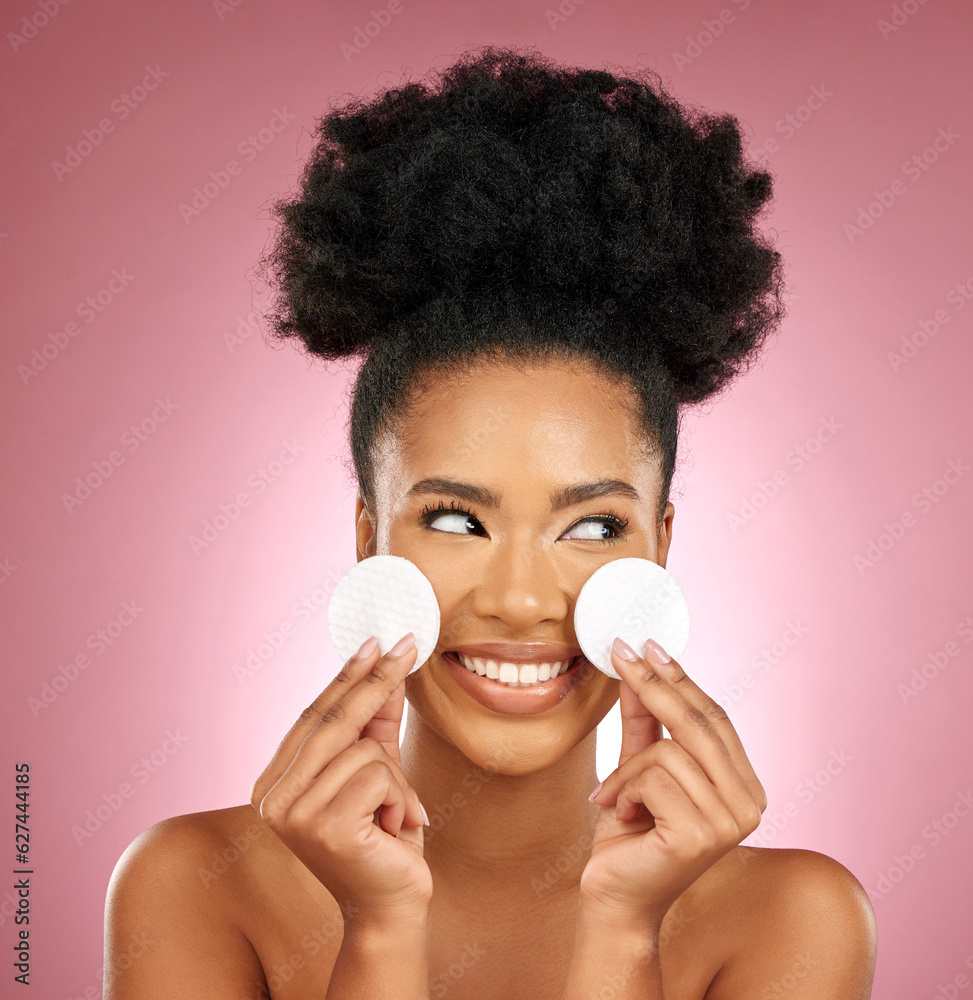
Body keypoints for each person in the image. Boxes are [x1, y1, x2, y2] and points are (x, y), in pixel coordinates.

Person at [104, 43, 877, 999]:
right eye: (456, 521)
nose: (518, 600)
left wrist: (622, 933)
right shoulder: (192, 887)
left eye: (592, 529)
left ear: (660, 549)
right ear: (367, 538)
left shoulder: (791, 921)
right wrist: (378, 931)